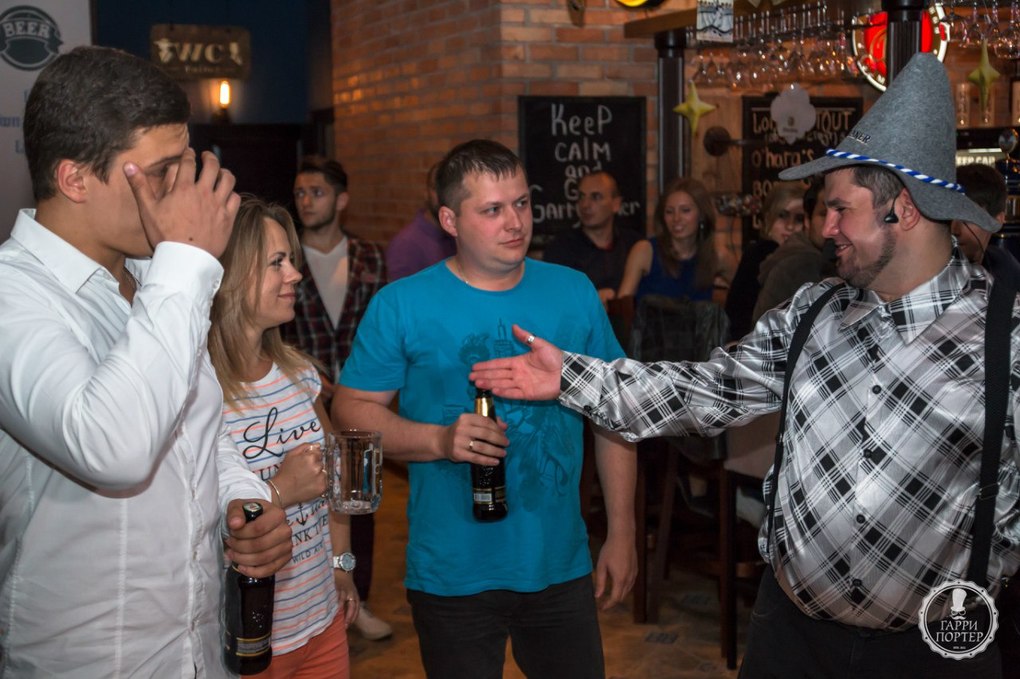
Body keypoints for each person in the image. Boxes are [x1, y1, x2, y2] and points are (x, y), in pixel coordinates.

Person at [470, 53, 1017, 679]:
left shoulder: (1004, 336)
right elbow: (705, 391)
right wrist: (572, 377)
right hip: (791, 638)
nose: (826, 227)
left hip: (934, 652)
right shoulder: (814, 311)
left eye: (842, 209)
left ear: (906, 210)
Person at [0, 46, 293, 676]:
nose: (183, 194)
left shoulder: (153, 278)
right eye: (162, 173)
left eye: (186, 167)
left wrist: (244, 499)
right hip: (87, 661)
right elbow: (114, 448)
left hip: (195, 649)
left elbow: (194, 428)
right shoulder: (12, 294)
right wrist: (185, 262)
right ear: (75, 180)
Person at [332, 139, 637, 678]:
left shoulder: (572, 291)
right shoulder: (402, 304)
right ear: (450, 219)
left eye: (521, 203)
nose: (515, 222)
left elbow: (615, 415)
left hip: (558, 562)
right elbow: (350, 410)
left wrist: (622, 531)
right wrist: (438, 440)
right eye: (493, 209)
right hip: (453, 569)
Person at [210, 197, 359, 677]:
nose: (295, 274)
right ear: (230, 276)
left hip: (322, 623)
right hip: (247, 639)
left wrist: (341, 565)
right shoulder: (198, 392)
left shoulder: (299, 374)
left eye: (291, 260)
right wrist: (281, 489)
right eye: (277, 262)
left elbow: (336, 479)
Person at [283, 155, 391, 640]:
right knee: (311, 498)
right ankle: (308, 600)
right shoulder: (285, 256)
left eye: (317, 192)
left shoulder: (369, 256)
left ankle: (356, 600)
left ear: (341, 200)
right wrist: (308, 372)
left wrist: (366, 380)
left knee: (358, 500)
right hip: (302, 397)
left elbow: (382, 329)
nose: (306, 201)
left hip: (362, 398)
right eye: (300, 193)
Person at [542, 171, 643, 305]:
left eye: (595, 197)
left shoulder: (633, 244)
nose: (585, 205)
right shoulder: (560, 248)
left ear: (616, 204)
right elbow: (553, 299)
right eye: (581, 197)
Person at [616, 177, 721, 304]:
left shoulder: (716, 254)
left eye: (685, 210)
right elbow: (622, 306)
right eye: (669, 212)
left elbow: (743, 291)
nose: (676, 218)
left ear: (702, 215)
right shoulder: (645, 250)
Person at [725, 181, 805, 339]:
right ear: (768, 218)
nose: (790, 226)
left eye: (799, 219)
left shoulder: (809, 257)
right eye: (782, 216)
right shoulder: (759, 253)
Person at [751, 178, 837, 324]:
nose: (832, 224)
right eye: (824, 214)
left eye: (842, 211)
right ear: (808, 221)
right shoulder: (801, 264)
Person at [386, 161, 456, 281]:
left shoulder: (461, 235)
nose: (443, 195)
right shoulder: (406, 245)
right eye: (436, 188)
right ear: (426, 193)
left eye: (449, 188)